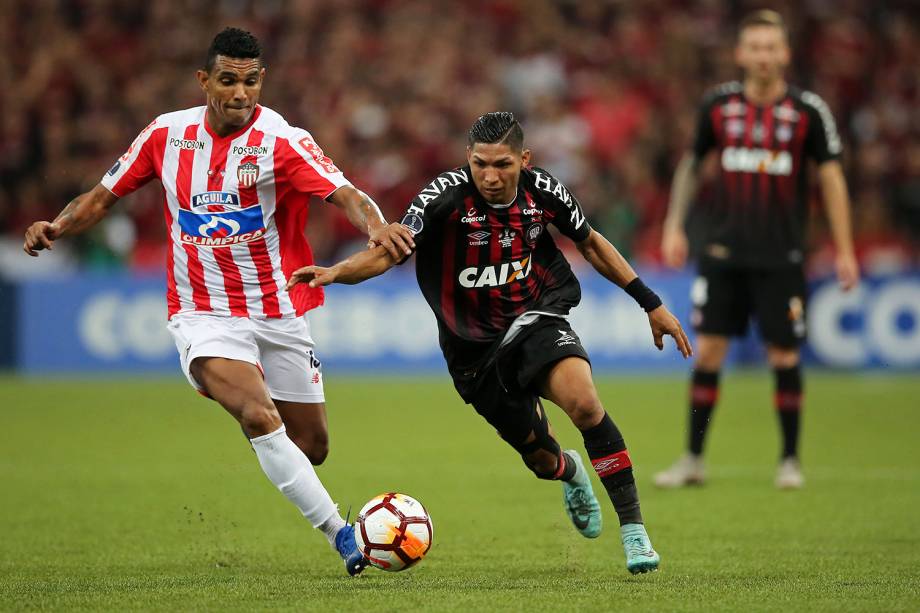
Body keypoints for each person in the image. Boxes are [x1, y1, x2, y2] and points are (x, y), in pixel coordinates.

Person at [22, 27, 414, 576]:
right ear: (204, 80)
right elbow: (101, 196)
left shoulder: (282, 140)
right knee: (259, 413)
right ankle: (341, 534)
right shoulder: (166, 136)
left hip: (278, 309)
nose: (240, 93)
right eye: (228, 80)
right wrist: (58, 226)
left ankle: (257, 421)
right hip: (201, 312)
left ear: (261, 81)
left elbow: (346, 193)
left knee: (312, 446)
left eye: (251, 81)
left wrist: (378, 227)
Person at [286, 112, 693, 574]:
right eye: (480, 164)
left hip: (536, 316)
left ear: (524, 159)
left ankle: (634, 532)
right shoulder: (443, 198)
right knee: (541, 460)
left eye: (502, 164)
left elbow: (592, 243)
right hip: (473, 352)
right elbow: (387, 253)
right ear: (467, 159)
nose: (490, 176)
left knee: (583, 404)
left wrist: (650, 302)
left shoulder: (545, 191)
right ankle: (570, 471)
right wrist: (337, 272)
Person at [655, 10, 859, 490]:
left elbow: (831, 179)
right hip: (722, 253)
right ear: (741, 54)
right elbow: (690, 165)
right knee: (708, 353)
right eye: (756, 47)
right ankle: (693, 459)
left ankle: (789, 461)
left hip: (781, 256)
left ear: (784, 54)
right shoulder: (718, 107)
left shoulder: (809, 112)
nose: (764, 56)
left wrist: (845, 248)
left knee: (784, 357)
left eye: (772, 47)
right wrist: (673, 225)